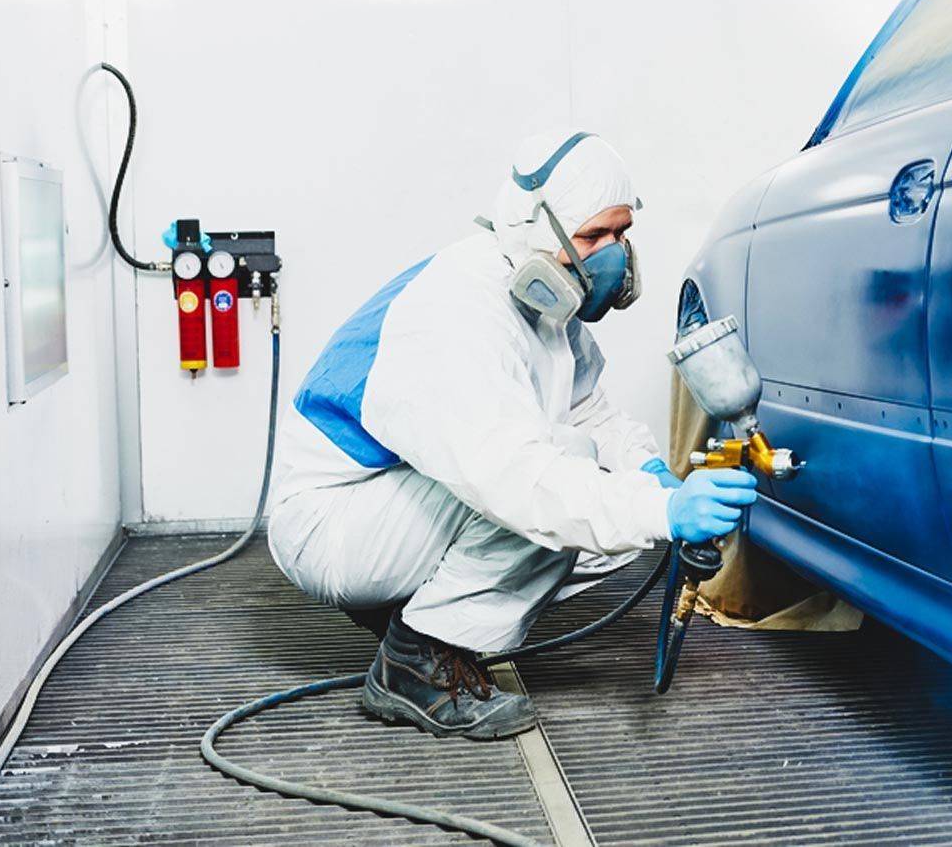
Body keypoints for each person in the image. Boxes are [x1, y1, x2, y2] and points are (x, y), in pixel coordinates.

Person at [266, 131, 757, 740]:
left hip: (389, 505)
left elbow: (591, 411)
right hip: (331, 523)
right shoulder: (457, 315)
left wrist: (653, 477)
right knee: (558, 485)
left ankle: (424, 614)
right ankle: (415, 664)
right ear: (538, 232)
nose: (614, 255)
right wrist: (660, 509)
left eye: (621, 234)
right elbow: (515, 478)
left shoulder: (549, 306)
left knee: (614, 515)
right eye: (593, 237)